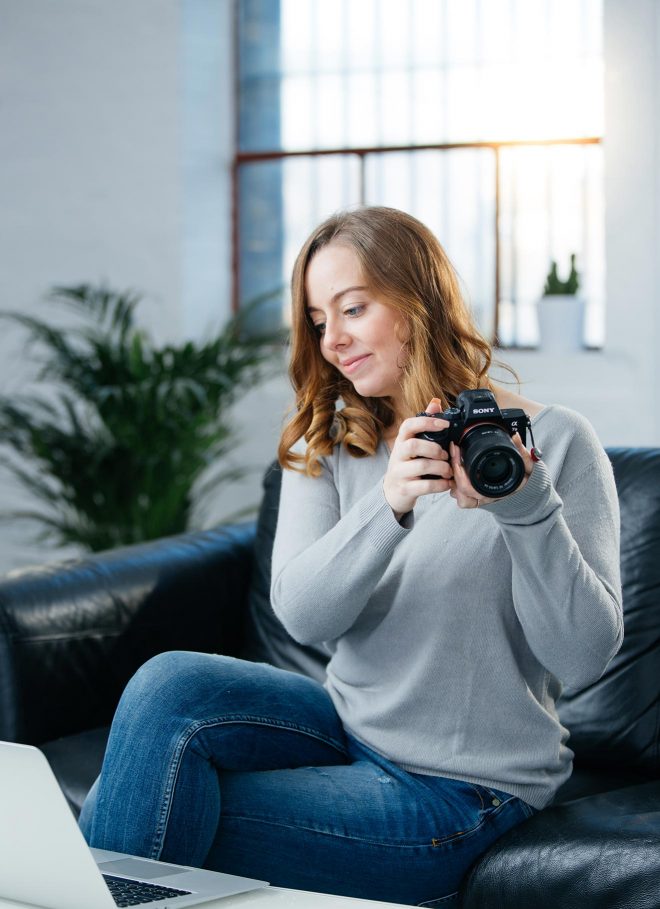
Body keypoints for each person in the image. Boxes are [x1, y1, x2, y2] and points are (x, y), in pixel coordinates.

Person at [80, 207, 623, 906]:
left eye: (353, 308)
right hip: (346, 729)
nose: (331, 340)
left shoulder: (554, 443)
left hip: (464, 791)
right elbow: (304, 614)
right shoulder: (327, 438)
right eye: (315, 319)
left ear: (416, 300)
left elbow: (581, 657)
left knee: (137, 805)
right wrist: (388, 503)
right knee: (167, 685)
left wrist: (525, 508)